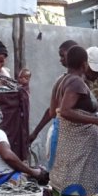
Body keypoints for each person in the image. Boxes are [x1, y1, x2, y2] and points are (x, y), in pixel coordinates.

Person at [49, 46, 98, 196]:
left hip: (69, 147)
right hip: (77, 151)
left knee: (65, 181)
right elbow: (65, 111)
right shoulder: (76, 82)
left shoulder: (61, 81)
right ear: (84, 64)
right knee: (76, 188)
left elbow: (52, 112)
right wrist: (96, 121)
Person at [29, 40, 78, 168]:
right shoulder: (64, 80)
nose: (60, 60)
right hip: (67, 132)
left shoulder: (74, 80)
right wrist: (35, 132)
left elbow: (53, 111)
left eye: (63, 55)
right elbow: (52, 111)